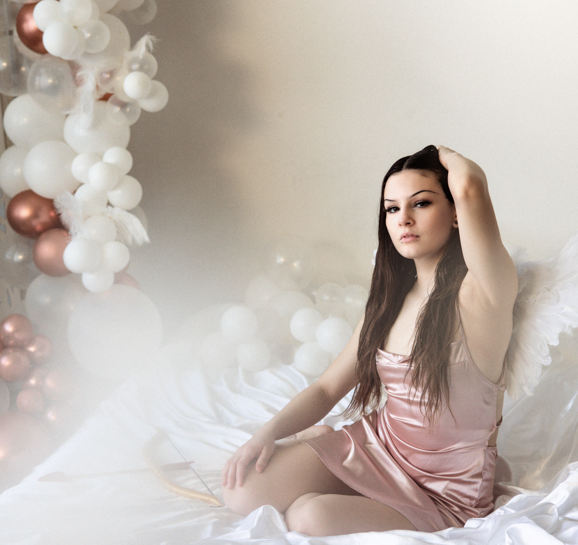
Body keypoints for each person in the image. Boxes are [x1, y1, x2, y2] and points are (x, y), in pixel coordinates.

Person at [221, 145, 518, 536]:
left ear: (456, 215)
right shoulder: (390, 300)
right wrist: (268, 433)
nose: (404, 219)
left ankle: (348, 486)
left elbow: (470, 187)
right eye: (392, 209)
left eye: (422, 203)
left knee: (308, 516)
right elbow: (328, 389)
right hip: (377, 448)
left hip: (443, 493)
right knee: (241, 490)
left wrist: (441, 154)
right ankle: (320, 444)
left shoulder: (482, 295)